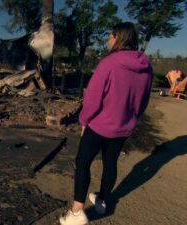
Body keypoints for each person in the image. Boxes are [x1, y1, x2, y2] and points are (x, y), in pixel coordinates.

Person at [59, 22, 153, 225]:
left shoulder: (109, 63)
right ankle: (101, 202)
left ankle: (77, 213)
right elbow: (144, 100)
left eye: (110, 36)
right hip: (124, 127)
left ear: (117, 37)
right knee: (110, 163)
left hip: (100, 126)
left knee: (83, 163)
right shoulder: (146, 67)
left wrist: (84, 120)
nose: (109, 40)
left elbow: (93, 98)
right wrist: (132, 118)